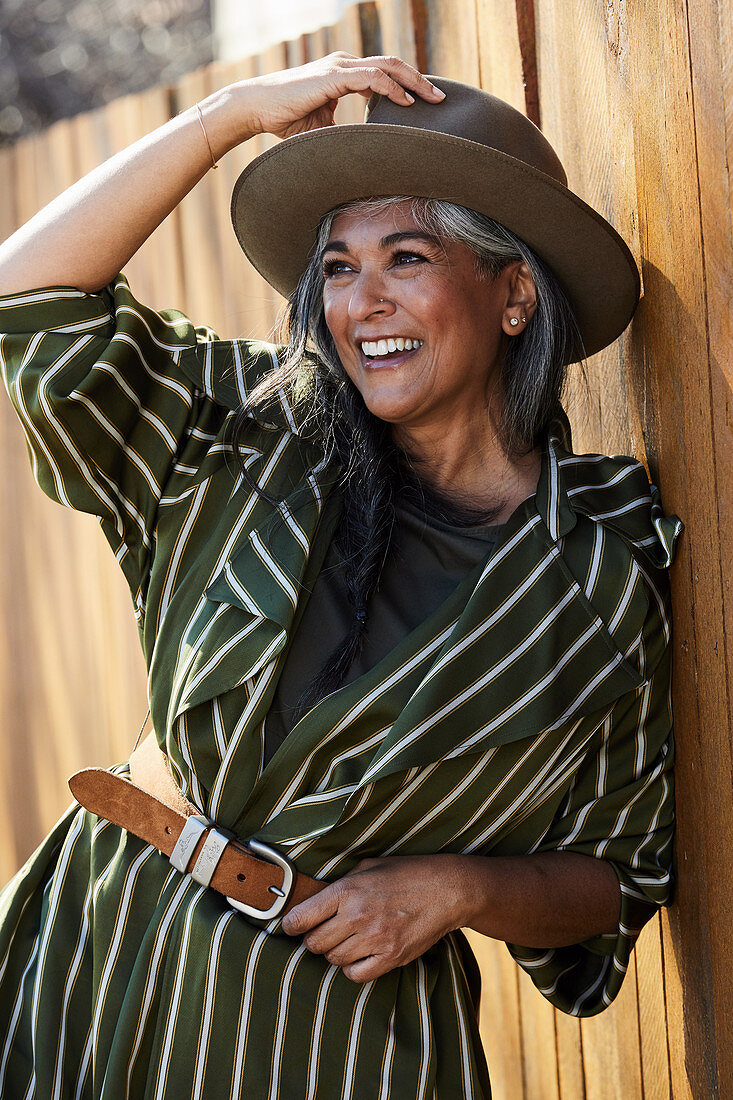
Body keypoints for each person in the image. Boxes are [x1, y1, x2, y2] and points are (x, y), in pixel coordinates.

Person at [0, 53, 681, 1099]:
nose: (361, 304)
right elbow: (28, 295)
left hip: (332, 1041)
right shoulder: (248, 438)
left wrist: (457, 886)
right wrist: (221, 117)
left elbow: (616, 874)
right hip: (96, 961)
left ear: (513, 294)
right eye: (336, 266)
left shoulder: (594, 583)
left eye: (405, 256)